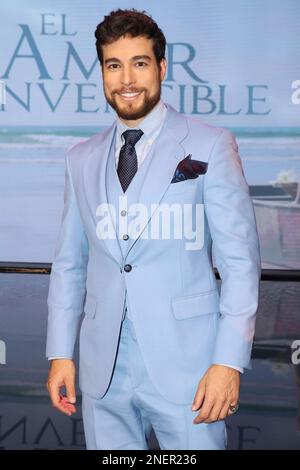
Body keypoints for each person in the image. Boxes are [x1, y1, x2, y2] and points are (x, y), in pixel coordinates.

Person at [46, 8, 261, 450]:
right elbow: (69, 264)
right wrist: (61, 353)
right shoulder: (80, 158)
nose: (127, 78)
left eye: (139, 63)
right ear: (102, 71)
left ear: (161, 67)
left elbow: (240, 264)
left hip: (192, 371)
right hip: (104, 371)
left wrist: (228, 363)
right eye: (114, 65)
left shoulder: (210, 144)